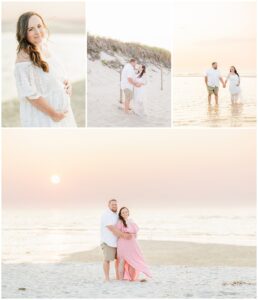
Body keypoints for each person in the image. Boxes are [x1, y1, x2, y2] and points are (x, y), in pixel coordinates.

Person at [14, 11, 76, 127]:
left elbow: (58, 75)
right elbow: (30, 95)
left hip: (61, 116)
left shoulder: (44, 47)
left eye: (39, 26)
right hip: (44, 118)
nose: (37, 32)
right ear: (23, 33)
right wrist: (53, 114)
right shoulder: (23, 57)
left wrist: (67, 84)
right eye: (30, 29)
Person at [100, 199, 133, 281]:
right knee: (107, 260)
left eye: (115, 204)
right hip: (108, 242)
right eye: (113, 204)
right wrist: (124, 235)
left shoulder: (116, 215)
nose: (114, 206)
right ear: (109, 205)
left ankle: (118, 277)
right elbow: (111, 228)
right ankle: (107, 278)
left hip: (117, 242)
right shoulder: (106, 215)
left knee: (118, 260)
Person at [116, 207, 151, 281]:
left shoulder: (131, 221)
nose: (125, 213)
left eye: (126, 212)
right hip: (123, 243)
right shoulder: (119, 222)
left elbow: (135, 233)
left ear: (128, 213)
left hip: (132, 244)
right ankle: (120, 279)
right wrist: (125, 234)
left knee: (133, 260)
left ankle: (131, 278)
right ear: (120, 214)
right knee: (122, 261)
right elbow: (117, 234)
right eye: (123, 212)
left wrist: (133, 236)